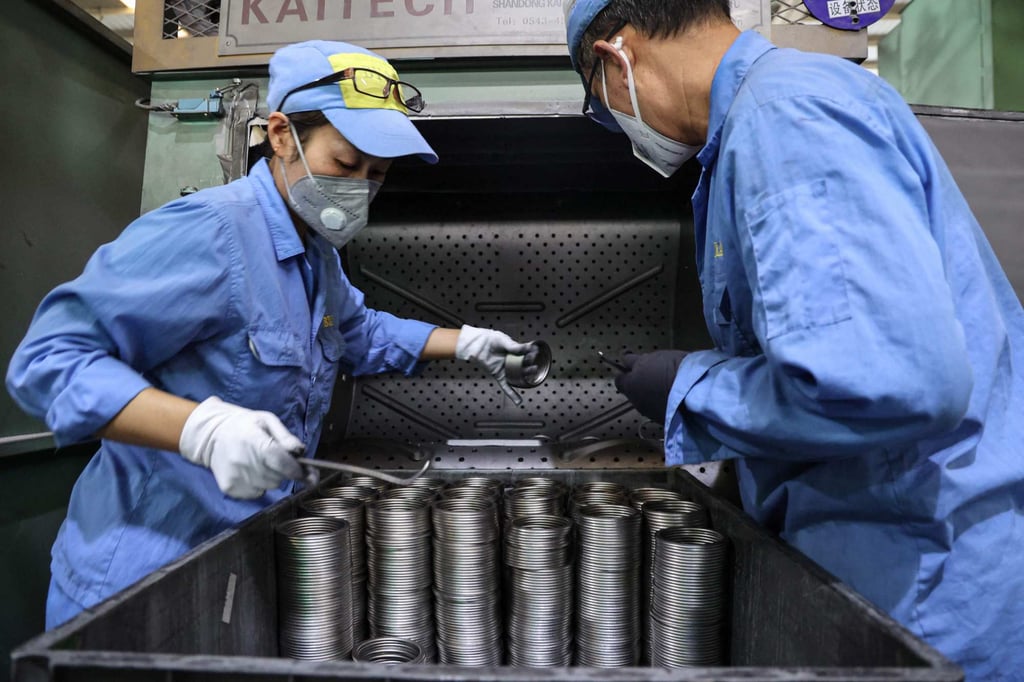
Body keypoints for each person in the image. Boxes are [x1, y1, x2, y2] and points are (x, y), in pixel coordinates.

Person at [6, 39, 537, 629]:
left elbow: (358, 332)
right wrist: (200, 430)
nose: (360, 186)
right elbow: (50, 360)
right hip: (137, 584)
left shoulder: (316, 254)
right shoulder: (211, 233)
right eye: (345, 163)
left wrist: (462, 341)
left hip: (236, 568)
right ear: (282, 135)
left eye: (377, 174)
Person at [563, 0, 1024, 678]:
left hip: (924, 589)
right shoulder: (761, 123)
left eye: (602, 107)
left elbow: (890, 382)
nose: (619, 127)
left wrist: (691, 386)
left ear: (617, 56)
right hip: (893, 567)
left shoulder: (785, 118)